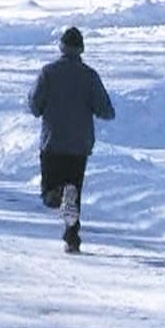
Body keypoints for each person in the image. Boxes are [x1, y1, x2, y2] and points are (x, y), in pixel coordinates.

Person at [28, 26, 115, 252]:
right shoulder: (90, 76)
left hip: (52, 142)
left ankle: (57, 194)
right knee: (74, 191)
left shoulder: (48, 73)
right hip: (79, 145)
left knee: (48, 193)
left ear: (61, 47)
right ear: (81, 49)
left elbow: (35, 106)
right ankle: (72, 237)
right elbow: (106, 110)